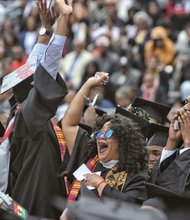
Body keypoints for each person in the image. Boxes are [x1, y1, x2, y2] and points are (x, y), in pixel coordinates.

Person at [0, 0, 73, 219]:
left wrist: (45, 29)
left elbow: (34, 67)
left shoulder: (19, 113)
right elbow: (47, 66)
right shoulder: (30, 116)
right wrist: (64, 20)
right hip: (36, 198)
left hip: (27, 192)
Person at [60, 72, 148, 211]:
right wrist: (88, 84)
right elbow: (69, 123)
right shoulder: (89, 159)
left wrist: (100, 184)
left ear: (123, 140)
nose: (101, 137)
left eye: (108, 133)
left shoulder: (136, 177)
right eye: (100, 132)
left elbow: (130, 208)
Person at [150, 94, 190, 194]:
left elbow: (180, 191)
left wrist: (188, 145)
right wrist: (172, 143)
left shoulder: (186, 144)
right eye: (186, 102)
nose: (185, 108)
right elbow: (156, 183)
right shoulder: (181, 145)